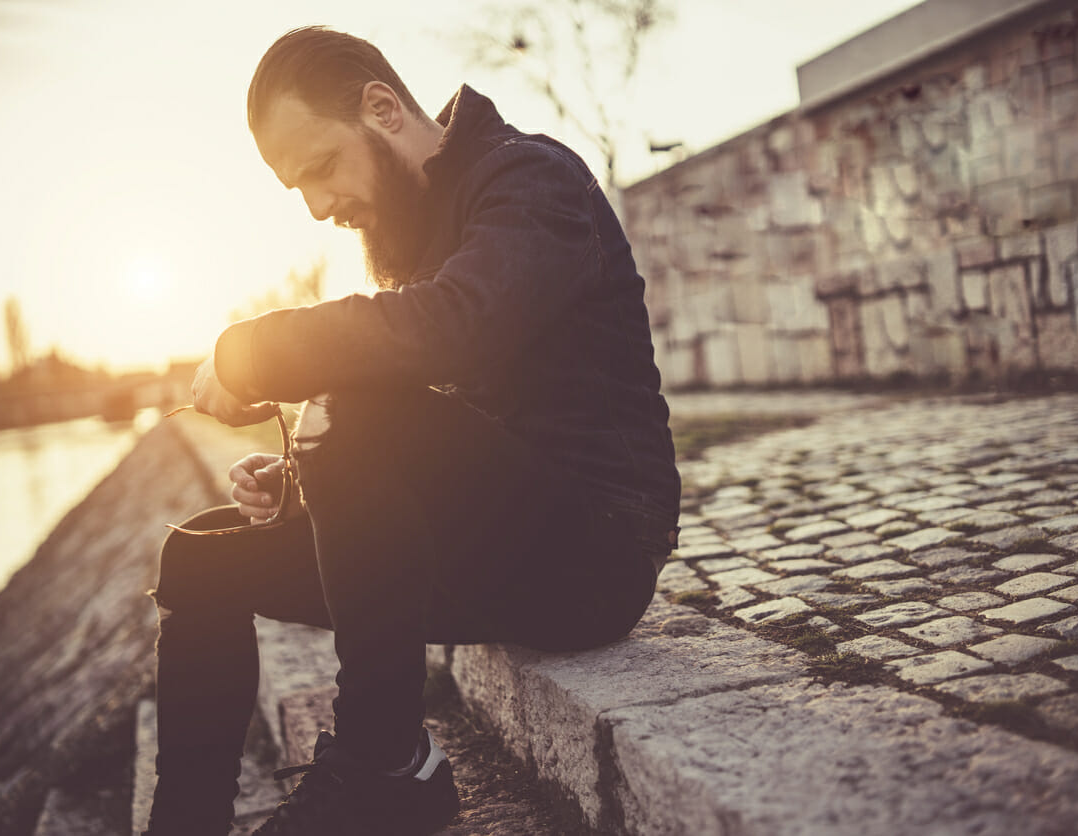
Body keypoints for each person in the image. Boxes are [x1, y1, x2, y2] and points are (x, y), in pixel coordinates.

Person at [143, 25, 680, 836]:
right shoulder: (407, 232)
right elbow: (436, 435)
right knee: (199, 558)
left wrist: (251, 351)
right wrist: (300, 488)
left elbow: (454, 330)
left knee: (357, 404)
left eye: (321, 168)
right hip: (490, 544)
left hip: (592, 559)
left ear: (383, 108)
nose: (320, 206)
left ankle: (385, 765)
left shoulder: (529, 179)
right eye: (299, 191)